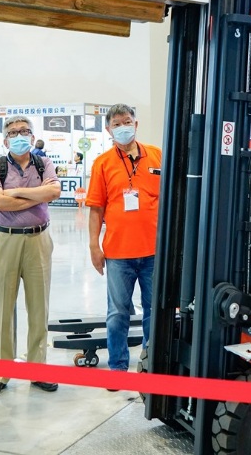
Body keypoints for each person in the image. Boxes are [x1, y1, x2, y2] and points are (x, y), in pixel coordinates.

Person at [0, 116, 60, 397]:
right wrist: (38, 195)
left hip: (39, 240)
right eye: (13, 132)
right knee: (1, 309)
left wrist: (16, 192)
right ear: (5, 140)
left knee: (39, 307)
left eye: (24, 131)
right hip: (5, 241)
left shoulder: (43, 163)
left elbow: (54, 191)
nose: (19, 136)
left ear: (32, 136)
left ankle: (38, 370)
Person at [86, 104, 162, 380]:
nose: (122, 127)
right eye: (116, 124)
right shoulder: (102, 163)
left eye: (127, 122)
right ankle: (118, 367)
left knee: (154, 311)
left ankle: (150, 362)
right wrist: (94, 246)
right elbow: (96, 208)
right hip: (118, 254)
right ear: (108, 130)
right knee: (118, 313)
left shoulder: (156, 155)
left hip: (154, 252)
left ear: (136, 124)